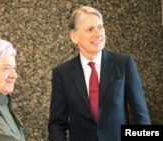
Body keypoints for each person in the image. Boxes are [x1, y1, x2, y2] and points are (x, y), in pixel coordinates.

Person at [47, 6, 151, 141]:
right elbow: (57, 125)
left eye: (100, 27)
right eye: (90, 29)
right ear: (74, 37)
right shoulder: (62, 74)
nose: (98, 34)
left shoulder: (124, 64)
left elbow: (141, 116)